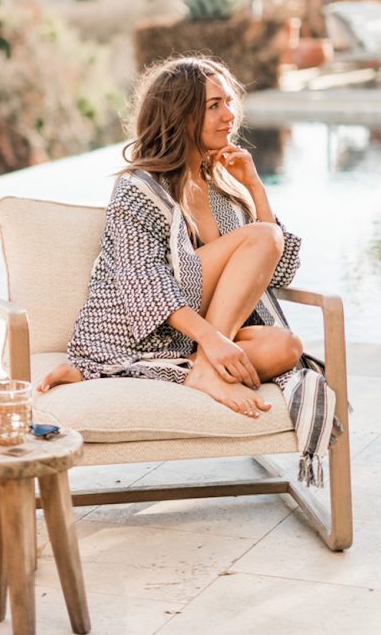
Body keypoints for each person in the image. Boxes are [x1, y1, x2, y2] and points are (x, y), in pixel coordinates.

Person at [38, 54, 306, 418]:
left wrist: (255, 187)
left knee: (285, 346)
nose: (229, 115)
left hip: (189, 341)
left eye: (229, 102)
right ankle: (208, 368)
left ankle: (199, 368)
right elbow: (145, 282)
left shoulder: (224, 187)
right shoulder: (138, 188)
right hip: (142, 330)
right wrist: (215, 341)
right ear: (181, 115)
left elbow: (278, 273)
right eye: (214, 105)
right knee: (264, 237)